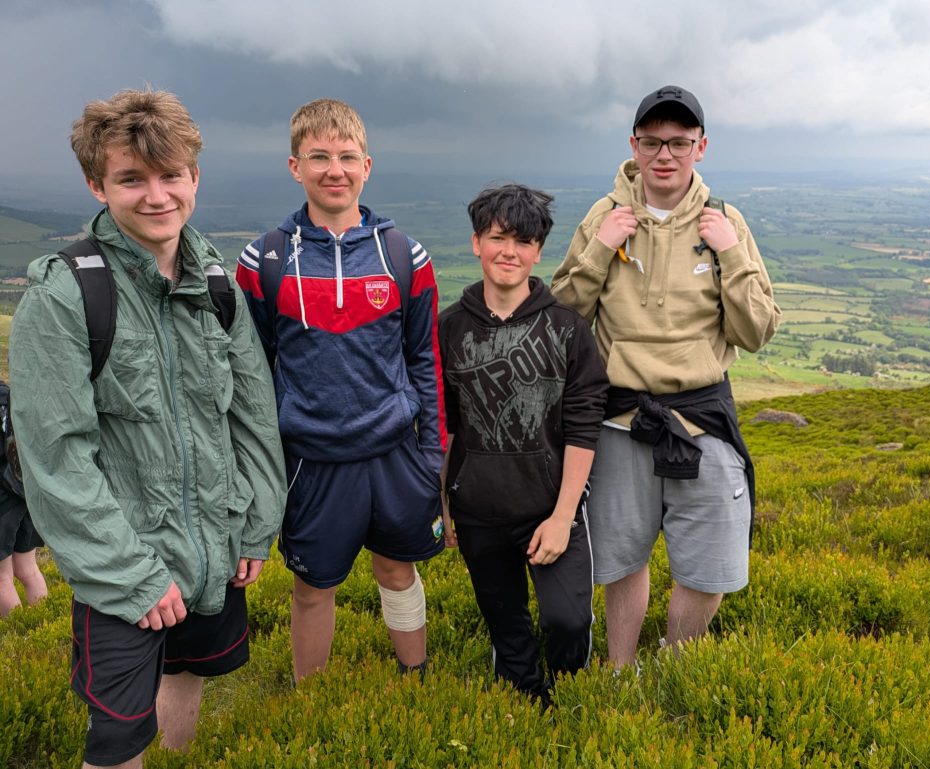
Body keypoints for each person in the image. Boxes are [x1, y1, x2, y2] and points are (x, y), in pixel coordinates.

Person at [9, 89, 287, 768]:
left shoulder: (215, 282)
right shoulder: (66, 293)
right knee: (117, 739)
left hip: (217, 545)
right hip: (124, 563)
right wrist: (130, 574)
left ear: (195, 176)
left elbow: (252, 414)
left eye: (171, 175)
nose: (157, 196)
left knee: (189, 670)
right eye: (132, 179)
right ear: (97, 184)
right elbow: (55, 457)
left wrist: (254, 524)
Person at [551, 86, 781, 669]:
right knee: (620, 561)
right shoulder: (603, 217)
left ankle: (674, 667)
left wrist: (731, 255)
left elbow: (756, 331)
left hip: (702, 418)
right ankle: (620, 671)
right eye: (653, 142)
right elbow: (563, 321)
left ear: (700, 147)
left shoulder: (725, 222)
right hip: (619, 418)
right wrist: (600, 251)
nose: (665, 155)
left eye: (679, 143)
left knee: (710, 569)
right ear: (634, 145)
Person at [235, 98, 446, 682]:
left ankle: (415, 678)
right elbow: (252, 373)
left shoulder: (405, 255)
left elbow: (425, 360)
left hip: (394, 453)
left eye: (348, 157)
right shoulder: (263, 259)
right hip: (312, 459)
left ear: (367, 166)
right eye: (319, 157)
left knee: (398, 571)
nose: (335, 170)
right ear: (295, 166)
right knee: (312, 588)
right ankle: (312, 699)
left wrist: (433, 456)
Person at [438, 184, 608, 701]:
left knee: (568, 622)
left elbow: (583, 426)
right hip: (478, 511)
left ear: (538, 252)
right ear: (476, 243)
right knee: (507, 630)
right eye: (498, 238)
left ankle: (569, 698)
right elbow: (444, 426)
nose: (509, 251)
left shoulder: (569, 329)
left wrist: (562, 516)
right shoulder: (448, 329)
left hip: (551, 508)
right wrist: (443, 503)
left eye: (523, 241)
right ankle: (527, 712)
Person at [0, 387, 47, 616]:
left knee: (2, 578)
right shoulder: (9, 393)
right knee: (27, 569)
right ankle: (42, 623)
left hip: (3, 498)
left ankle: (23, 632)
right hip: (25, 489)